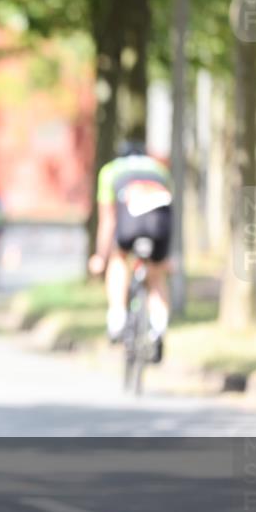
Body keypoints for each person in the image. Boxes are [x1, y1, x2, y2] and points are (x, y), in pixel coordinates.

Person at [88, 142, 173, 361]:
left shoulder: (110, 171)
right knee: (156, 275)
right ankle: (158, 327)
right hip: (159, 226)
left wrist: (100, 256)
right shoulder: (159, 169)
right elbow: (168, 209)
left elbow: (108, 220)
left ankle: (117, 317)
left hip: (130, 224)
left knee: (118, 258)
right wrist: (167, 256)